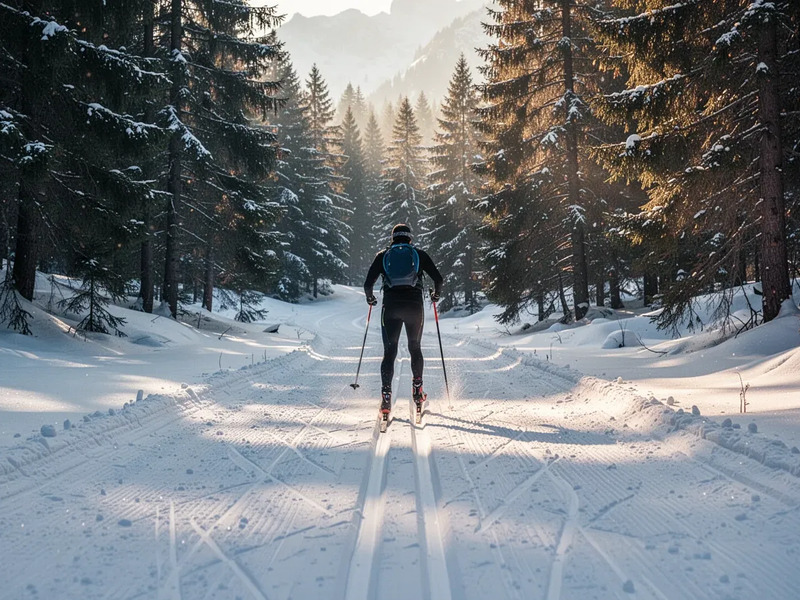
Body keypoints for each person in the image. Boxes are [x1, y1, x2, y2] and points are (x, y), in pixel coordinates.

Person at [363, 223, 444, 416]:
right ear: (410, 238)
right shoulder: (419, 255)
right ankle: (417, 391)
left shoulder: (383, 256)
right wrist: (436, 295)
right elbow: (438, 279)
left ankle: (386, 398)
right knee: (414, 347)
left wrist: (370, 298)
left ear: (393, 238)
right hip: (414, 307)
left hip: (391, 307)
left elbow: (368, 284)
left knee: (389, 351)